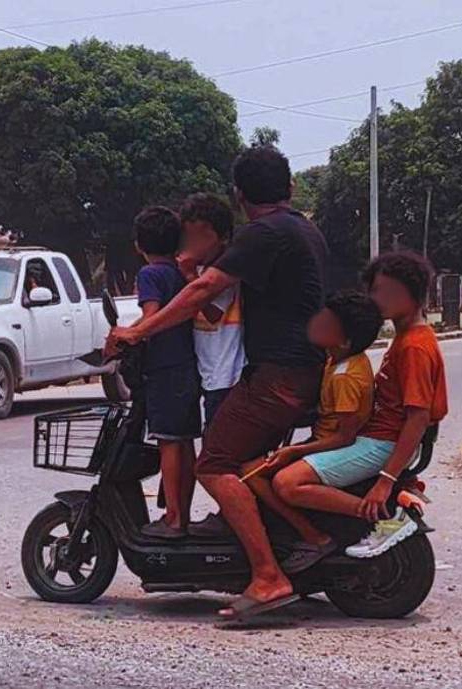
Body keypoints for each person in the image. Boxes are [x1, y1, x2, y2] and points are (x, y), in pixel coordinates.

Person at [106, 145, 327, 620]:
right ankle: (279, 540)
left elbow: (204, 291)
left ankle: (268, 576)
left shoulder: (263, 234)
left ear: (239, 195)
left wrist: (138, 331)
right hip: (301, 372)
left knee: (213, 463)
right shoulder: (304, 230)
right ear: (289, 187)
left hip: (278, 378)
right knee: (243, 460)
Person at [268, 251, 448, 558]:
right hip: (376, 438)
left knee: (287, 483)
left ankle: (384, 516)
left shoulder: (415, 346)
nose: (378, 299)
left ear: (412, 292)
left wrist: (385, 481)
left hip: (382, 443)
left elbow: (417, 418)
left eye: (387, 291)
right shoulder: (406, 337)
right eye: (375, 290)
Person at [240, 290, 384, 573]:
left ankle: (326, 533)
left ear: (344, 340)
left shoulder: (345, 377)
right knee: (251, 469)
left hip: (338, 445)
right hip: (325, 439)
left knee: (277, 481)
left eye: (327, 323)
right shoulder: (335, 358)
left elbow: (345, 436)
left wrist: (294, 451)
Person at [131, 206, 201, 539]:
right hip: (189, 366)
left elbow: (151, 317)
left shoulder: (150, 275)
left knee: (168, 444)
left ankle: (173, 519)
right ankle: (182, 514)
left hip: (164, 368)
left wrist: (122, 337)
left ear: (138, 245)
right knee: (184, 442)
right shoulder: (179, 272)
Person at [177, 193, 244, 428]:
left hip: (226, 374)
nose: (195, 244)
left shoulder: (222, 271)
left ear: (223, 237)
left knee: (217, 440)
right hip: (208, 371)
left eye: (202, 236)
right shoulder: (203, 269)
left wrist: (189, 275)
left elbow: (213, 314)